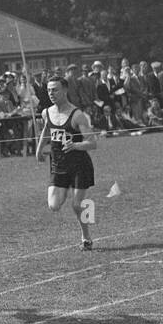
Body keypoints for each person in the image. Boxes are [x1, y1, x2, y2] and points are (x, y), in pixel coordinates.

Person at [36, 75, 98, 250]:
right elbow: (46, 130)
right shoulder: (46, 112)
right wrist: (39, 149)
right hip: (58, 166)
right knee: (54, 205)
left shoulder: (78, 115)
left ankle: (86, 237)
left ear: (65, 90)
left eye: (55, 89)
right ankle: (79, 199)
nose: (51, 93)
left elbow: (92, 143)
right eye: (49, 90)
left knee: (77, 205)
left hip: (79, 165)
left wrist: (75, 145)